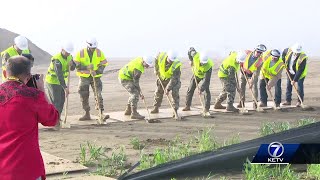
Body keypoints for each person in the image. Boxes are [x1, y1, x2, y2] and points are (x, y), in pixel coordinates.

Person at [0, 56, 59, 180]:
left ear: (5, 73)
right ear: (28, 77)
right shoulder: (33, 96)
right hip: (26, 169)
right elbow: (53, 119)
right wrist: (41, 90)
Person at [74, 38, 109, 121]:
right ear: (88, 45)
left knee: (98, 94)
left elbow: (104, 63)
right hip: (84, 77)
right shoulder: (81, 53)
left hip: (96, 77)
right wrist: (86, 67)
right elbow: (76, 65)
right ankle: (87, 114)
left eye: (95, 47)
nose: (94, 49)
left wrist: (96, 71)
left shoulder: (99, 52)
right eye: (92, 48)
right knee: (84, 95)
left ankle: (101, 113)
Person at [45, 42, 76, 130]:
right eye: (67, 52)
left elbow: (73, 68)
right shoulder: (56, 59)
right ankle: (54, 121)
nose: (68, 54)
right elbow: (59, 75)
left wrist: (72, 64)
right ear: (62, 50)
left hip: (61, 83)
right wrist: (65, 87)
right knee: (56, 102)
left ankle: (57, 118)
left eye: (69, 52)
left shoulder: (70, 56)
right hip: (52, 82)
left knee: (62, 101)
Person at [150, 51, 182, 118]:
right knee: (159, 91)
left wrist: (168, 89)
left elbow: (174, 79)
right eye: (170, 60)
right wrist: (156, 69)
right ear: (168, 57)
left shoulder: (176, 65)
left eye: (172, 61)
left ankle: (175, 110)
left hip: (173, 79)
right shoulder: (161, 55)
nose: (171, 62)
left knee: (175, 93)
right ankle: (156, 107)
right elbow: (156, 59)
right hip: (163, 76)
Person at [182, 47, 214, 114]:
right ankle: (187, 105)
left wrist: (201, 89)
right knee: (190, 89)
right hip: (196, 74)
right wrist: (191, 60)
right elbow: (190, 49)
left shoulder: (209, 66)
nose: (203, 64)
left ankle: (206, 108)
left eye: (204, 63)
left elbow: (206, 81)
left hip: (204, 76)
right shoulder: (195, 55)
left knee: (206, 91)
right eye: (202, 63)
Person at [238, 44, 267, 108]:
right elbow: (240, 59)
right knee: (241, 87)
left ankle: (255, 103)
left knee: (254, 87)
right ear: (255, 50)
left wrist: (251, 82)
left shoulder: (260, 61)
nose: (258, 54)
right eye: (258, 52)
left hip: (252, 74)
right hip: (243, 71)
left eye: (260, 53)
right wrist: (241, 65)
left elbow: (256, 73)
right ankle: (241, 102)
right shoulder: (247, 53)